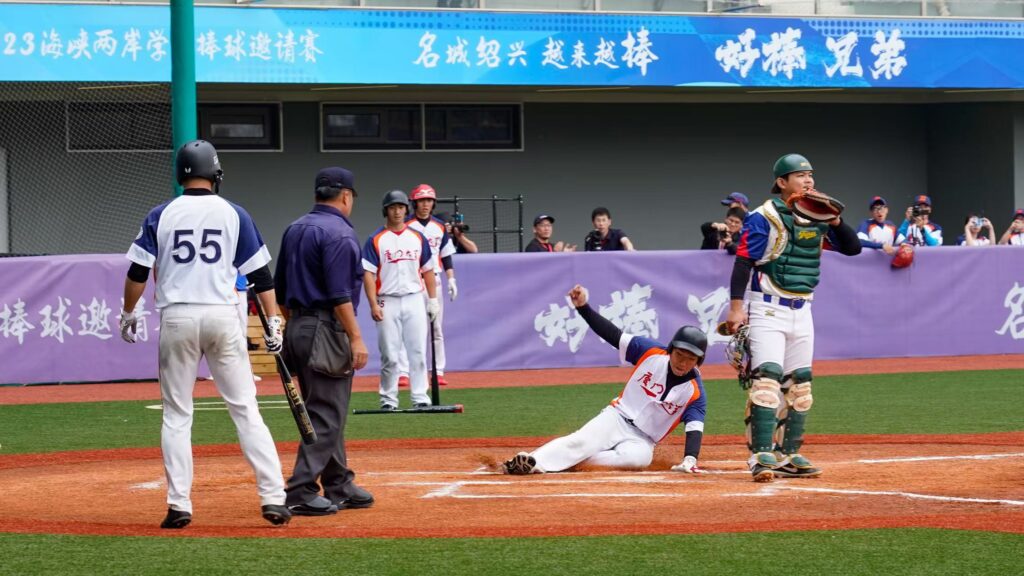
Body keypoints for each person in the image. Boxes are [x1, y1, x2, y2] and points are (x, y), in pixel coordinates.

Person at [118, 139, 290, 529]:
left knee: (177, 415)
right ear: (214, 173)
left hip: (177, 316)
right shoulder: (234, 213)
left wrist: (128, 312)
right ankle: (273, 497)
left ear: (181, 173)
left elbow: (137, 272)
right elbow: (261, 277)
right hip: (222, 315)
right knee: (245, 409)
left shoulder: (161, 214)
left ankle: (179, 504)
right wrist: (274, 320)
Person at [725, 153, 861, 482]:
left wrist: (835, 220)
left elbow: (853, 248)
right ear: (781, 182)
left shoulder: (818, 215)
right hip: (767, 306)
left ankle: (789, 455)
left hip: (803, 309)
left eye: (810, 174)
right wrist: (736, 308)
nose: (808, 180)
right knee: (767, 381)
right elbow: (743, 262)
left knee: (800, 386)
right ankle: (761, 455)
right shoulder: (764, 216)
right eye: (800, 175)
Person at [503, 284, 708, 475]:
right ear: (671, 350)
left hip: (643, 441)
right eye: (679, 355)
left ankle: (574, 462)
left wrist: (690, 459)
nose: (683, 362)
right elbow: (613, 335)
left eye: (691, 359)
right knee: (580, 442)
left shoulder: (694, 393)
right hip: (616, 418)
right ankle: (531, 463)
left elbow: (695, 427)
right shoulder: (651, 353)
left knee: (637, 460)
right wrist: (583, 308)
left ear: (698, 361)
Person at [274, 166, 373, 516]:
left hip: (297, 325)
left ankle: (339, 483)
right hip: (326, 327)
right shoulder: (340, 234)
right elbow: (339, 295)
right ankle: (300, 489)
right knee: (327, 413)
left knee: (324, 407)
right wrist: (356, 337)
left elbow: (280, 290)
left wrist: (296, 328)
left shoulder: (294, 228)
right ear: (346, 196)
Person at [362, 190, 440, 410]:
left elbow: (428, 270)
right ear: (385, 210)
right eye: (392, 207)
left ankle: (420, 397)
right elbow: (368, 274)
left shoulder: (417, 237)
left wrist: (432, 300)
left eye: (401, 207)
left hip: (414, 298)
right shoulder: (375, 239)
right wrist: (373, 303)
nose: (397, 212)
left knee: (417, 351)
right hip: (387, 300)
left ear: (406, 209)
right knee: (389, 354)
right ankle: (388, 399)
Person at [395, 184, 458, 387]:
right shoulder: (406, 224)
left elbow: (446, 255)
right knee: (407, 327)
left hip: (435, 280)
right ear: (414, 203)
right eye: (421, 200)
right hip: (411, 280)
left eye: (429, 200)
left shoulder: (439, 226)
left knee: (436, 327)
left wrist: (451, 279)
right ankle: (403, 371)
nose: (425, 204)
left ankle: (437, 371)